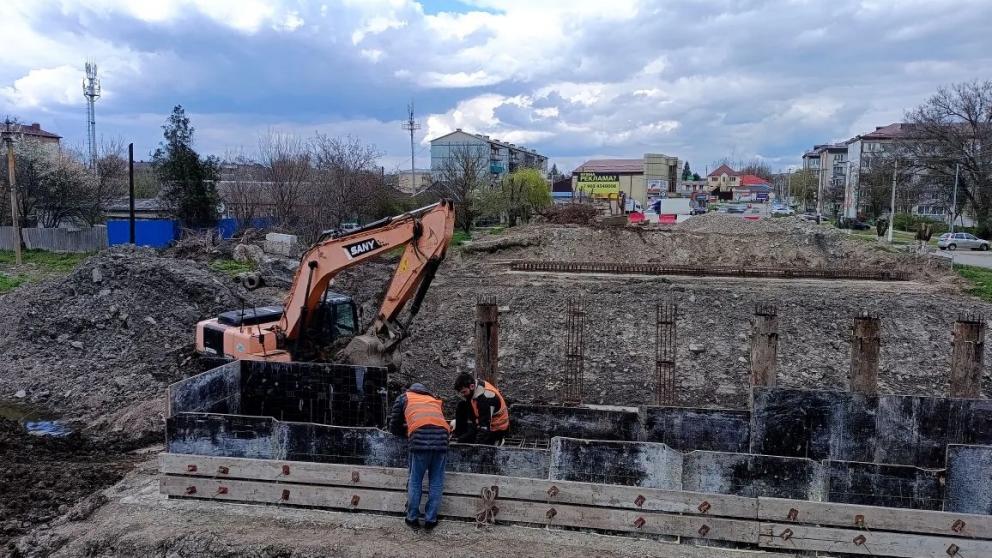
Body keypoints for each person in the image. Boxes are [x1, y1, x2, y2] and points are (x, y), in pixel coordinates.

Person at [389, 382, 450, 531]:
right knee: (436, 481)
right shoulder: (434, 399)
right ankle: (430, 520)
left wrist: (406, 433)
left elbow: (394, 425)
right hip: (442, 440)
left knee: (415, 480)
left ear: (410, 389)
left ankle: (412, 518)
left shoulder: (404, 398)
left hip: (419, 442)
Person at [452, 373, 510, 445]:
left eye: (464, 392)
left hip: (496, 428)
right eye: (461, 393)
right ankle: (461, 434)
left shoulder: (485, 399)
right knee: (461, 405)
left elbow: (484, 428)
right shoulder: (475, 386)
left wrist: (476, 447)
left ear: (472, 386)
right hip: (484, 419)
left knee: (463, 441)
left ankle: (497, 440)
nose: (462, 395)